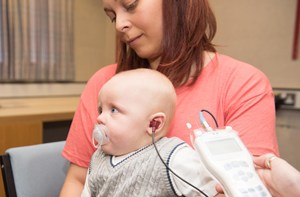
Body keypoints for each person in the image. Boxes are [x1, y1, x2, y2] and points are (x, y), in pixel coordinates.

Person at [60, 0, 279, 196]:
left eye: (131, 5)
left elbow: (242, 188)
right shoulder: (104, 84)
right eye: (112, 16)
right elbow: (78, 180)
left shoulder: (243, 84)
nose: (119, 25)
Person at [80, 68, 219, 197]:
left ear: (154, 124)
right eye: (100, 110)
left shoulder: (174, 157)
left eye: (114, 110)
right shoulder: (98, 158)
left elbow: (213, 191)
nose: (99, 118)